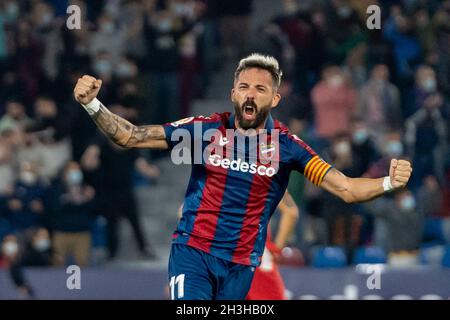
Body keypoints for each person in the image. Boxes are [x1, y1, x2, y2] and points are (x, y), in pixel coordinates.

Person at [73, 53, 412, 300]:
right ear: (233, 93)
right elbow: (131, 136)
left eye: (260, 89)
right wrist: (93, 105)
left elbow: (347, 189)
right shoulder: (203, 130)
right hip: (194, 252)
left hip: (241, 264)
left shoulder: (288, 147)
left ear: (275, 98)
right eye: (244, 86)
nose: (250, 94)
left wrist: (388, 183)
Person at [246, 191, 299, 300]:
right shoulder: (268, 174)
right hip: (257, 253)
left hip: (217, 248)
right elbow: (291, 212)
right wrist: (276, 250)